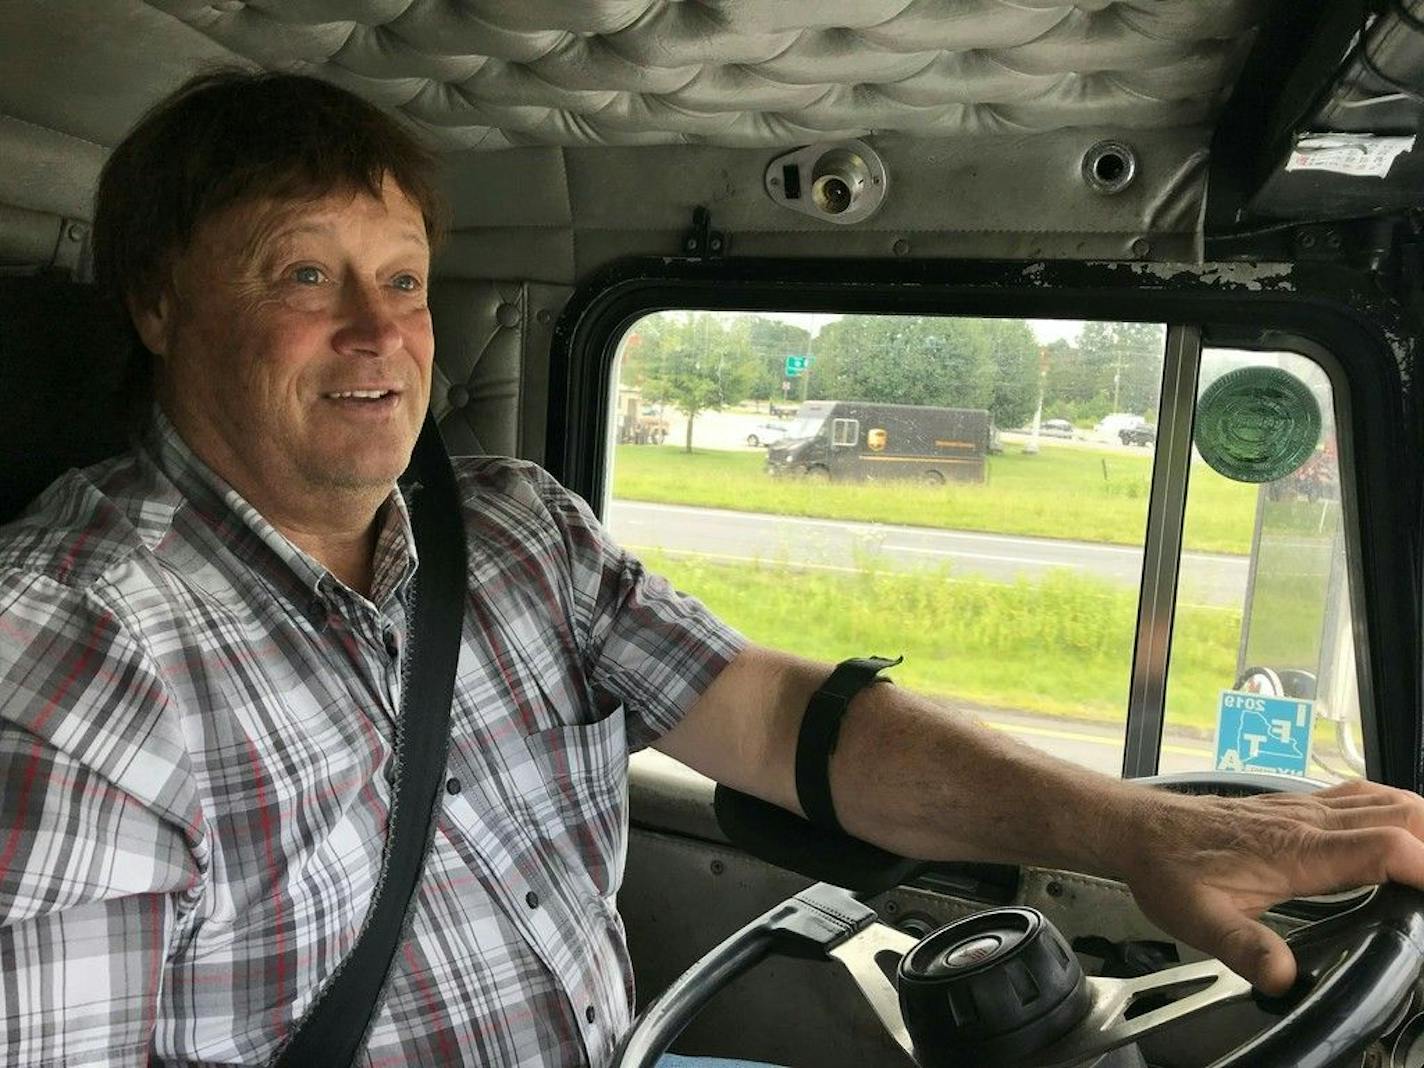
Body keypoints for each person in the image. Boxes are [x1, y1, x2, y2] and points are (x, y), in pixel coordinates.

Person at [1, 68, 1423, 1068]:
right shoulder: (72, 661)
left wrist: (1136, 831)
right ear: (157, 303)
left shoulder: (515, 529)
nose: (382, 333)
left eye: (408, 277)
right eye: (304, 277)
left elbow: (778, 718)